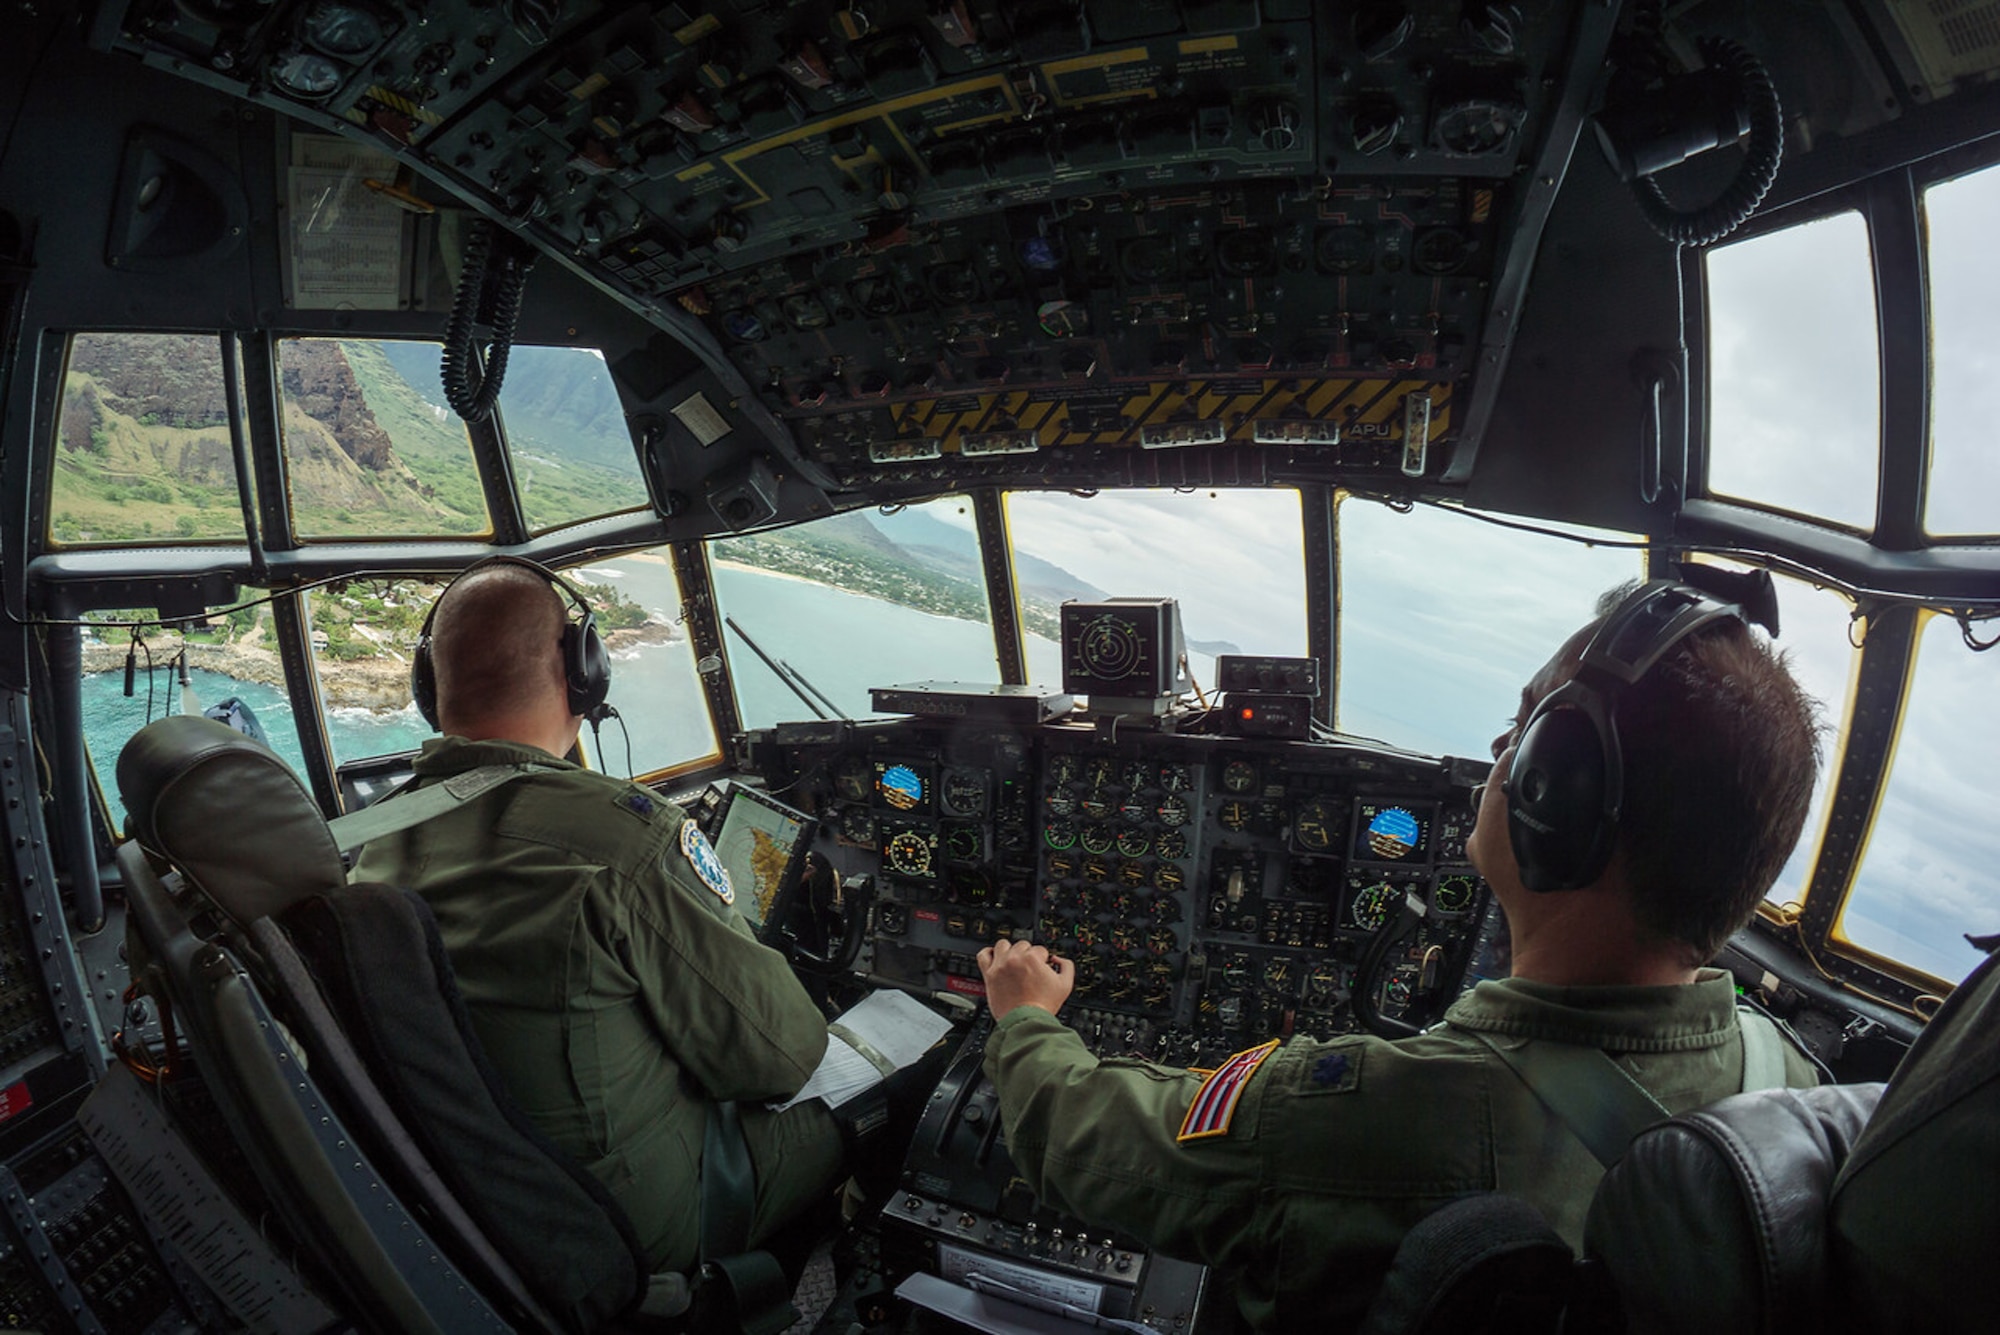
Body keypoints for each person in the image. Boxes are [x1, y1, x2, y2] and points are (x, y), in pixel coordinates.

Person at [976, 579, 1825, 1330]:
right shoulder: (1793, 1084)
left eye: (1522, 729)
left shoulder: (1374, 1109)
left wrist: (1025, 1019)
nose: (1501, 755)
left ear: (1555, 794)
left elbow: (1087, 1143)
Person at [350, 557, 845, 1275]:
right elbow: (784, 1057)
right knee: (902, 1070)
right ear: (585, 674)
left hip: (472, 1204)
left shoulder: (374, 837)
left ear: (431, 687)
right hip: (635, 1223)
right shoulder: (625, 838)